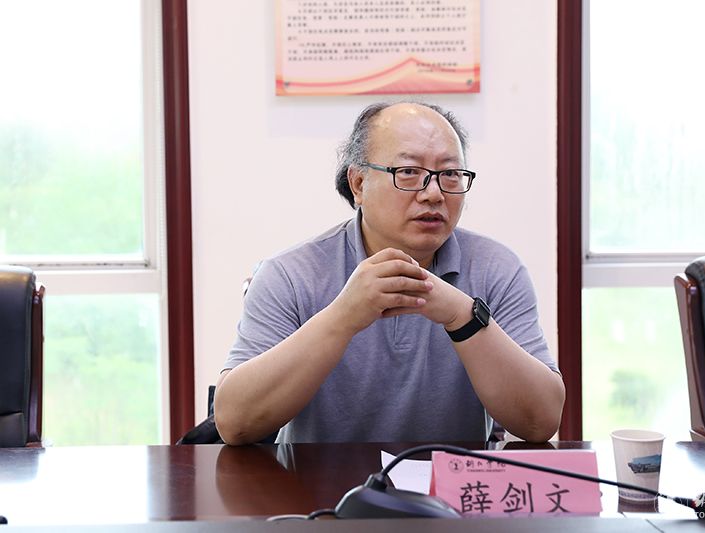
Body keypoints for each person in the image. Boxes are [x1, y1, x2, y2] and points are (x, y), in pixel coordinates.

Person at [214, 101, 565, 445]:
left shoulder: (497, 269)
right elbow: (235, 423)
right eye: (408, 172)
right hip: (317, 482)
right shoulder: (291, 274)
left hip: (449, 482)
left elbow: (541, 421)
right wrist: (343, 316)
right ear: (358, 184)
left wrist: (462, 315)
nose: (433, 193)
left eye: (450, 174)